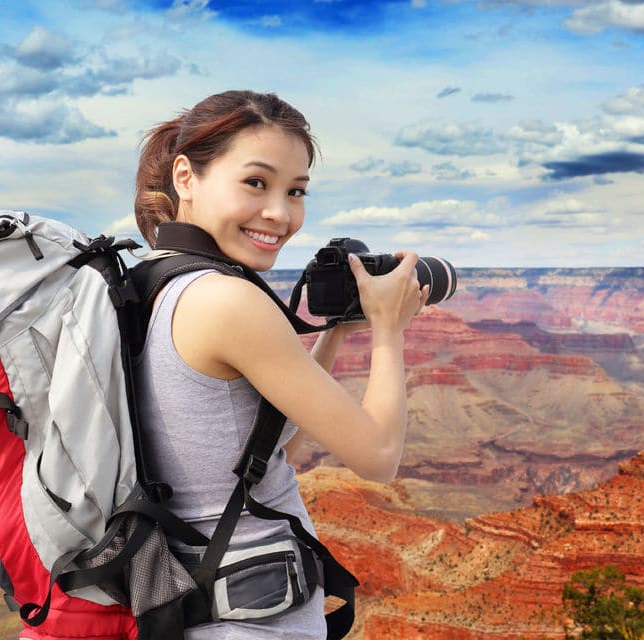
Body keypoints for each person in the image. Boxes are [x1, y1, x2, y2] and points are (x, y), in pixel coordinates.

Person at [131, 89, 429, 638]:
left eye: (296, 191)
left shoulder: (155, 278)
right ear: (185, 177)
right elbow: (380, 456)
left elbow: (270, 453)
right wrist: (389, 331)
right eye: (256, 182)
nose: (280, 213)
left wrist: (334, 332)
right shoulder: (228, 300)